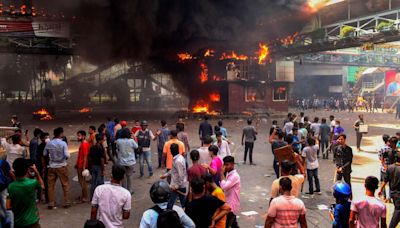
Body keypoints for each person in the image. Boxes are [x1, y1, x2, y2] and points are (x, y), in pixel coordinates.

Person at [9, 158, 44, 228]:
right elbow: (42, 186)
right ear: (27, 170)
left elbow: (8, 206)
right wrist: (36, 172)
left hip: (18, 223)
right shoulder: (32, 183)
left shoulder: (11, 186)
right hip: (32, 221)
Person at [43, 127, 71, 209]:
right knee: (65, 184)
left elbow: (44, 154)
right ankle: (66, 202)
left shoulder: (49, 143)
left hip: (51, 166)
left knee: (50, 185)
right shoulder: (63, 143)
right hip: (61, 166)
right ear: (61, 134)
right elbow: (67, 155)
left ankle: (51, 203)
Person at [160, 144, 188, 209]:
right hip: (178, 185)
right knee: (182, 201)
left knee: (171, 201)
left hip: (178, 185)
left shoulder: (178, 161)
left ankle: (168, 213)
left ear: (171, 151)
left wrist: (176, 186)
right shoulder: (179, 158)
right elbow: (173, 170)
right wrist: (165, 175)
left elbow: (181, 175)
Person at [378, 148, 400, 228]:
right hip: (399, 194)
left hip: (393, 193)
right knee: (398, 211)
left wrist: (380, 190)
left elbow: (385, 181)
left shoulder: (390, 168)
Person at [220, 156, 241, 228]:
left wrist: (221, 174)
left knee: (226, 224)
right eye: (224, 165)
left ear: (232, 165)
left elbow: (224, 187)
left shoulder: (234, 176)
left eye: (227, 165)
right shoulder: (230, 174)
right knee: (234, 224)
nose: (225, 167)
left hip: (231, 205)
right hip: (230, 203)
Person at [116, 128, 138, 193]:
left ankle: (123, 189)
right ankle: (130, 190)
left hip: (122, 161)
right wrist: (134, 138)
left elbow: (117, 149)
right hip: (130, 162)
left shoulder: (118, 141)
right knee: (130, 176)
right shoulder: (131, 141)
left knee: (123, 176)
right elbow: (136, 146)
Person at [89, 134, 106, 200]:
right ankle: (100, 198)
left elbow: (90, 157)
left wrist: (90, 166)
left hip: (93, 166)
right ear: (101, 140)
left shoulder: (92, 147)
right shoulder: (100, 148)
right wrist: (103, 170)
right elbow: (102, 160)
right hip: (99, 166)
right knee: (100, 182)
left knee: (93, 182)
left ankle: (92, 197)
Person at [75, 130, 90, 203]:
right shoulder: (84, 143)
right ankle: (84, 196)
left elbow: (85, 156)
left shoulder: (84, 144)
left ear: (83, 136)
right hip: (80, 165)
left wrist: (84, 166)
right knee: (82, 181)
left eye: (79, 136)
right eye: (78, 135)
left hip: (81, 166)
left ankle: (85, 197)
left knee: (82, 182)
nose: (78, 137)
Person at [378, 134, 392, 201]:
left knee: (382, 181)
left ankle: (384, 196)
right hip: (391, 169)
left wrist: (383, 164)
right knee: (391, 183)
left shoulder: (382, 148)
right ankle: (389, 197)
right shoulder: (392, 149)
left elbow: (380, 158)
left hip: (383, 168)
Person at [36, 132, 50, 203]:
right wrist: (44, 167)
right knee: (45, 182)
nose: (47, 139)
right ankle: (44, 198)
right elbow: (42, 158)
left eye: (48, 137)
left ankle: (44, 197)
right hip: (43, 166)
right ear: (42, 139)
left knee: (46, 182)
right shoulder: (42, 146)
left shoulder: (48, 145)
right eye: (46, 137)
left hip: (47, 166)